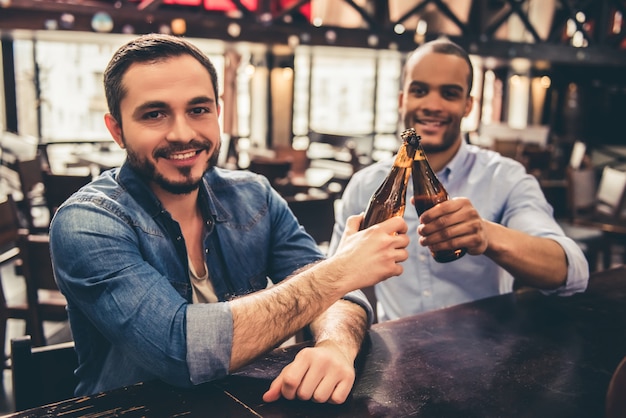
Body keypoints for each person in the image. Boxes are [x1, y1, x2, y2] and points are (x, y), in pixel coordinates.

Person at [49, 33, 410, 404]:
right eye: (154, 114)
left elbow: (341, 297)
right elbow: (181, 351)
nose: (183, 133)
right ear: (117, 130)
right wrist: (340, 271)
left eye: (198, 109)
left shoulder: (254, 196)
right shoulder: (87, 222)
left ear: (217, 114)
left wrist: (335, 346)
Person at [328, 38, 589, 322]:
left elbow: (571, 271)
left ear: (468, 105)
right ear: (403, 100)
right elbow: (336, 288)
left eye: (449, 94)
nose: (432, 105)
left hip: (485, 354)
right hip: (396, 355)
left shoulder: (505, 177)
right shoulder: (365, 186)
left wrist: (486, 235)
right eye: (420, 90)